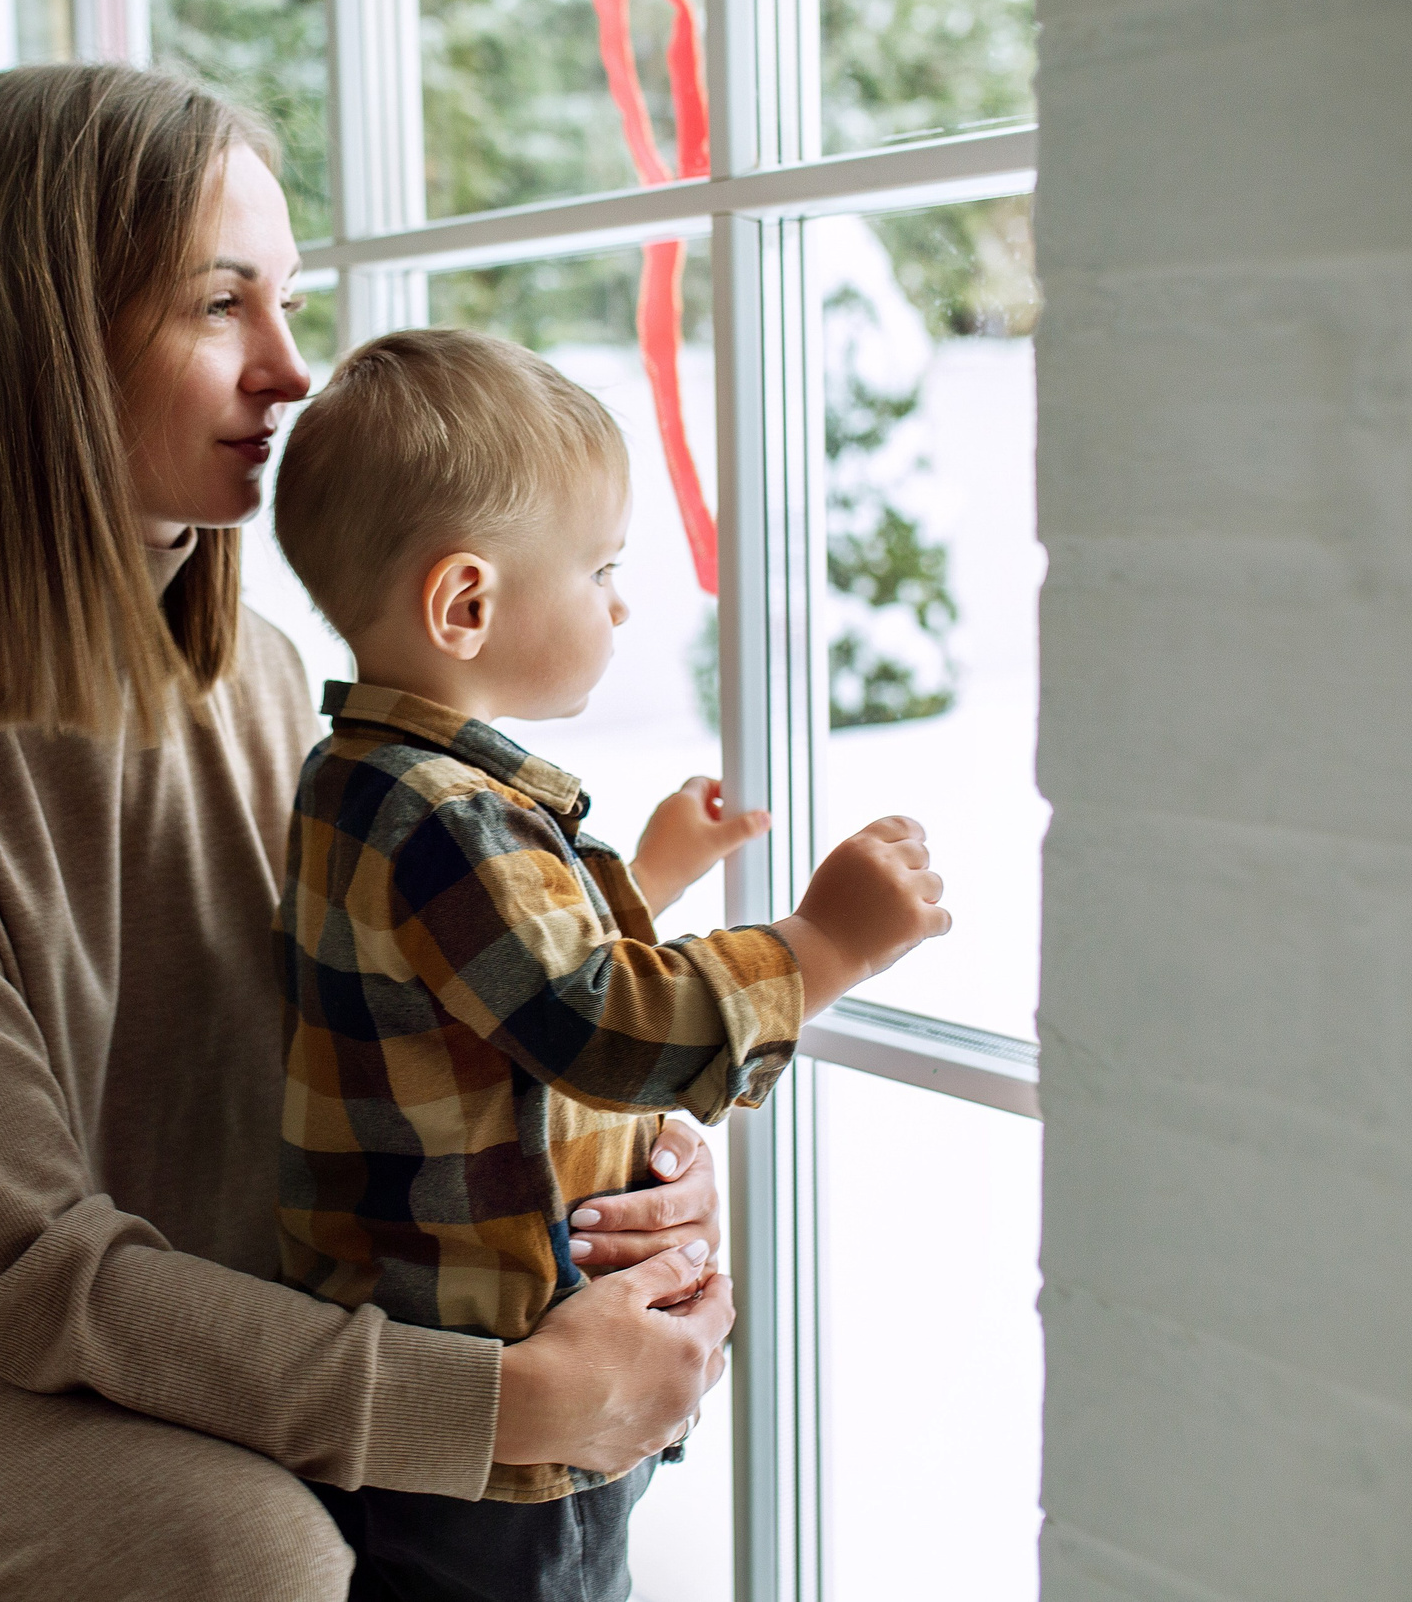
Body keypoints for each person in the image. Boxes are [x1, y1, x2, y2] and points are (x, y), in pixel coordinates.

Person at [0, 66, 745, 1601]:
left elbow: (414, 1043)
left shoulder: (268, 686)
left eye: (290, 300)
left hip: (147, 1323)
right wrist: (507, 1398)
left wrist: (623, 1166)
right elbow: (24, 1264)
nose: (292, 370)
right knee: (240, 1554)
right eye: (220, 305)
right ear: (40, 341)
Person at [270, 329, 952, 1601]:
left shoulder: (360, 776)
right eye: (601, 570)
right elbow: (584, 1020)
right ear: (465, 604)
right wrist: (821, 947)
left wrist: (646, 874)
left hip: (424, 1373)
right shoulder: (451, 816)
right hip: (492, 1397)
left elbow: (486, 984)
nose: (622, 604)